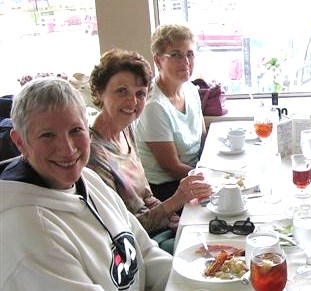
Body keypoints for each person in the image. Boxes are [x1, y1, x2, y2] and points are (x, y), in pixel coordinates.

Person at [0, 78, 171, 290]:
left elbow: (145, 251)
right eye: (47, 135)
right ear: (20, 142)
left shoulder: (88, 180)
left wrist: (189, 282)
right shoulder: (27, 232)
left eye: (75, 130)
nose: (68, 149)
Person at [86, 48, 211, 253]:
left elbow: (145, 197)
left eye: (140, 94)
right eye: (122, 91)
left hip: (157, 228)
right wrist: (175, 201)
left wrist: (169, 214)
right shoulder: (93, 154)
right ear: (100, 92)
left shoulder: (127, 129)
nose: (132, 102)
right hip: (137, 246)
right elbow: (122, 230)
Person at [135, 24, 207, 201]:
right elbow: (172, 167)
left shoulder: (190, 89)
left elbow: (203, 136)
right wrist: (211, 178)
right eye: (176, 55)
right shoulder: (153, 105)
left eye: (189, 54)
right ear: (158, 60)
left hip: (193, 172)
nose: (186, 61)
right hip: (167, 189)